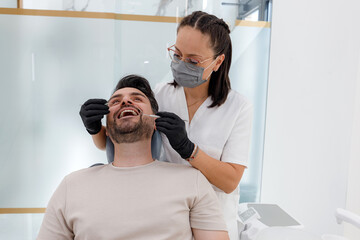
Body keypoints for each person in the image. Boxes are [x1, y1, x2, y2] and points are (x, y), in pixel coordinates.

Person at [80, 11, 253, 240]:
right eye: (177, 54)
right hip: (166, 219)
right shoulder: (160, 94)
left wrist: (189, 150)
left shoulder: (238, 107)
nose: (181, 64)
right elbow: (120, 142)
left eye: (192, 61)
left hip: (214, 221)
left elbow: (230, 181)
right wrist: (95, 129)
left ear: (218, 61)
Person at [38, 75, 229, 240]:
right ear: (106, 127)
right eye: (115, 102)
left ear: (156, 121)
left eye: (137, 99)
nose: (125, 102)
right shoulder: (72, 186)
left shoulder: (192, 181)